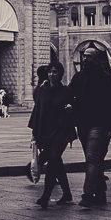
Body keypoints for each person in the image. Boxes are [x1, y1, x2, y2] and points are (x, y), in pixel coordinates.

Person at [69, 48, 111, 208]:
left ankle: (88, 194)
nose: (85, 59)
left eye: (88, 56)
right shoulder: (79, 77)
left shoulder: (104, 77)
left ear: (96, 59)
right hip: (82, 124)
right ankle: (101, 194)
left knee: (92, 157)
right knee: (92, 158)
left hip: (99, 124)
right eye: (84, 56)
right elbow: (68, 92)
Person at [29, 65, 77, 209]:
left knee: (53, 159)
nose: (51, 74)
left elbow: (74, 109)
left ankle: (45, 196)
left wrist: (70, 109)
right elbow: (37, 111)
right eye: (50, 72)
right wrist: (35, 132)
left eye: (55, 72)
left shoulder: (66, 91)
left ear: (60, 74)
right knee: (57, 162)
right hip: (47, 132)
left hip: (62, 132)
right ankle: (67, 193)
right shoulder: (41, 90)